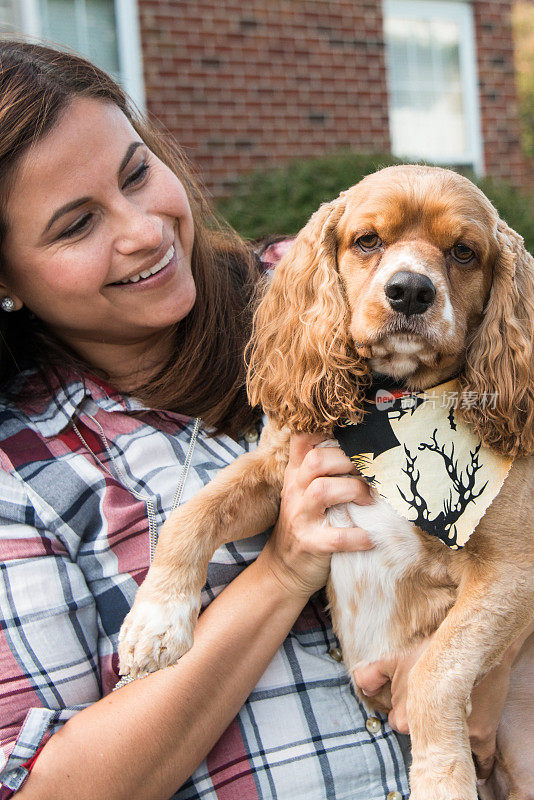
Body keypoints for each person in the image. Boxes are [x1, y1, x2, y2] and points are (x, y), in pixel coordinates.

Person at [0, 40, 524, 800]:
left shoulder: (332, 281)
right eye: (77, 224)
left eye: (137, 173)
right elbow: (46, 792)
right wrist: (280, 570)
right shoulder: (23, 471)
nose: (144, 230)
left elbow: (514, 512)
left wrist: (492, 662)